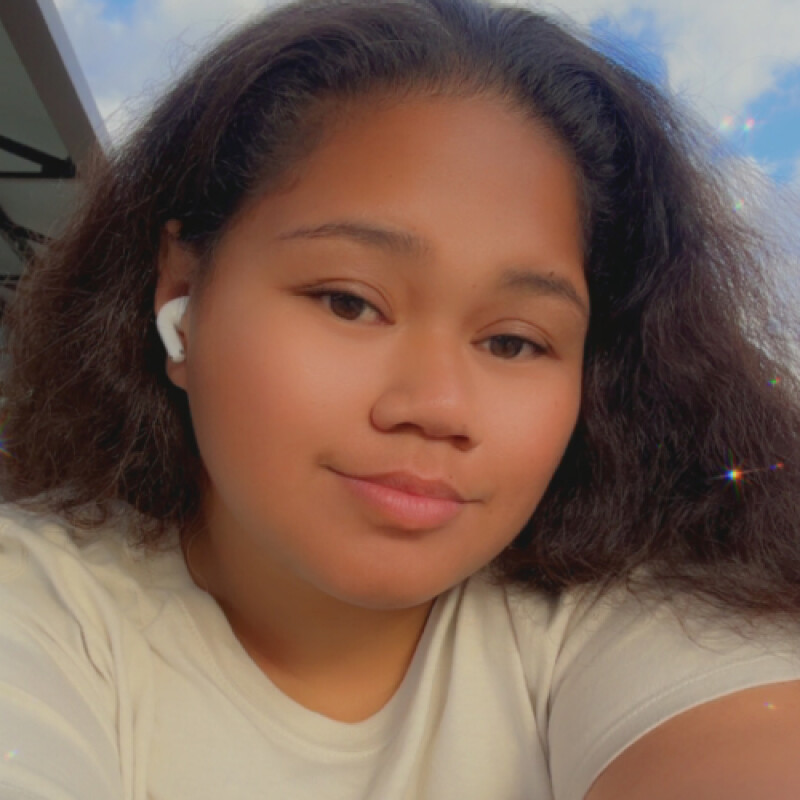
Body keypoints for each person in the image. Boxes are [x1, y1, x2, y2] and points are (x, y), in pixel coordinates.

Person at [1, 0, 799, 797]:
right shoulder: (36, 605)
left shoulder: (653, 612)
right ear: (182, 293)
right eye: (349, 301)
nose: (438, 406)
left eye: (513, 342)